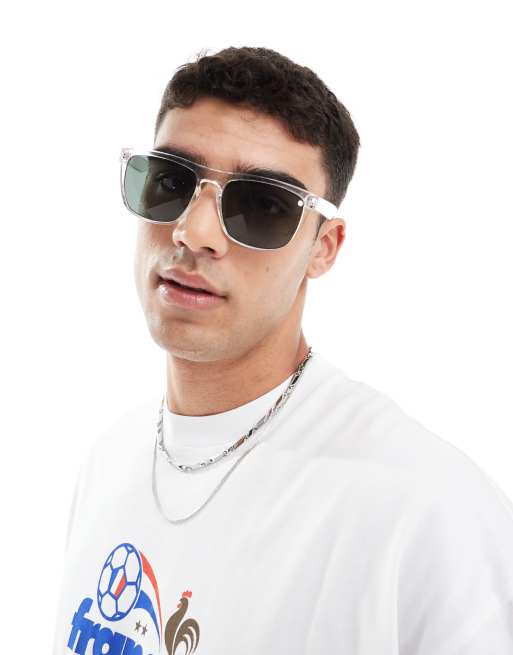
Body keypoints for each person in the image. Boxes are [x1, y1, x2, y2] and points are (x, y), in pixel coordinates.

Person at [52, 46, 513, 655]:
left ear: (325, 247)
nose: (194, 231)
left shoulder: (426, 511)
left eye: (262, 206)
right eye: (171, 181)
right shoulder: (110, 462)